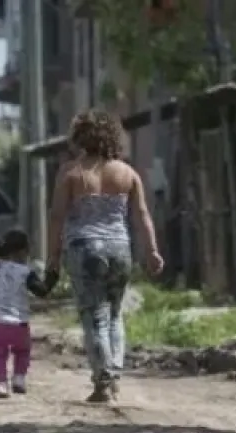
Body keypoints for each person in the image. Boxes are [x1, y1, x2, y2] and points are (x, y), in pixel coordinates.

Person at [46, 110, 164, 403]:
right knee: (115, 313)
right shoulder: (127, 173)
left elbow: (57, 217)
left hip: (84, 248)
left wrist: (53, 258)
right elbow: (142, 215)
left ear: (80, 137)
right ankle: (115, 375)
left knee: (94, 316)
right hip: (120, 249)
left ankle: (103, 381)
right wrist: (152, 251)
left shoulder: (70, 172)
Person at [0, 229, 57, 399]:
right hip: (19, 324)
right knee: (22, 352)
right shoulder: (25, 272)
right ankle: (19, 378)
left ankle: (1, 384)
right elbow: (42, 291)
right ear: (22, 252)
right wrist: (53, 276)